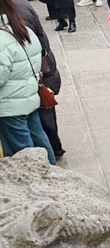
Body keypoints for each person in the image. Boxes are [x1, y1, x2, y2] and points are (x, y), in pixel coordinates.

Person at [0, 0, 56, 164]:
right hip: (29, 99)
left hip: (11, 107)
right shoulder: (23, 30)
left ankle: (41, 185)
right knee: (41, 144)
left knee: (24, 156)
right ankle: (54, 175)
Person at [14, 0, 64, 159]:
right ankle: (54, 150)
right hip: (43, 70)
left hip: (38, 74)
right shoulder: (22, 5)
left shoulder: (16, 16)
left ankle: (52, 152)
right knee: (44, 117)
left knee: (41, 119)